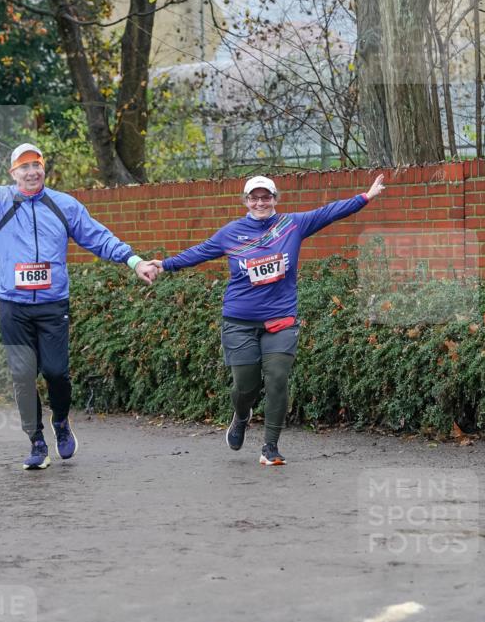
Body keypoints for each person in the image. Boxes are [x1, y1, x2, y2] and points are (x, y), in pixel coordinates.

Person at [0, 132, 159, 470]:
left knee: (56, 372)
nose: (32, 172)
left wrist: (134, 261)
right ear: (13, 173)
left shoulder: (64, 205)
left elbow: (97, 237)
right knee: (22, 375)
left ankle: (60, 420)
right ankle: (36, 441)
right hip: (13, 305)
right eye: (24, 167)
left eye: (36, 165)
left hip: (52, 304)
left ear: (44, 169)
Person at [152, 173, 385, 466]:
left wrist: (365, 197)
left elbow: (328, 213)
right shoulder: (231, 233)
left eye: (266, 197)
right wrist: (165, 265)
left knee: (277, 379)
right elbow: (200, 252)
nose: (260, 203)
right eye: (254, 198)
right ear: (246, 201)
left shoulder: (292, 225)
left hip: (280, 319)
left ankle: (270, 447)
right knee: (245, 386)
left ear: (275, 199)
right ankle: (241, 416)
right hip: (239, 322)